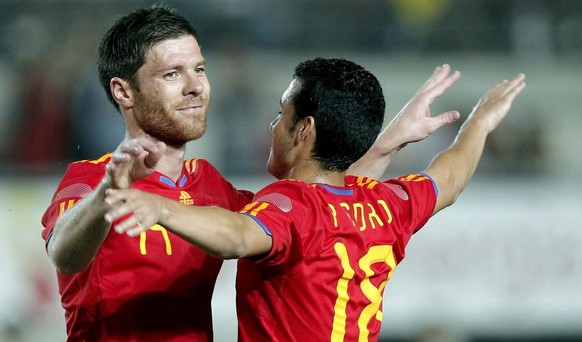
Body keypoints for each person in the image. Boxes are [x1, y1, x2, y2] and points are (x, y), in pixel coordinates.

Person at [40, 5, 462, 342]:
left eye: (199, 69)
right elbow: (63, 253)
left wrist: (389, 142)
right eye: (172, 74)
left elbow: (316, 205)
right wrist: (108, 194)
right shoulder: (89, 179)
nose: (195, 87)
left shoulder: (211, 187)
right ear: (123, 91)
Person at [104, 57, 525, 341]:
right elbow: (450, 176)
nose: (272, 125)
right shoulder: (387, 204)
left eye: (280, 114)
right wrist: (480, 122)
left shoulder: (291, 205)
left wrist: (161, 206)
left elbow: (237, 235)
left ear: (303, 130)